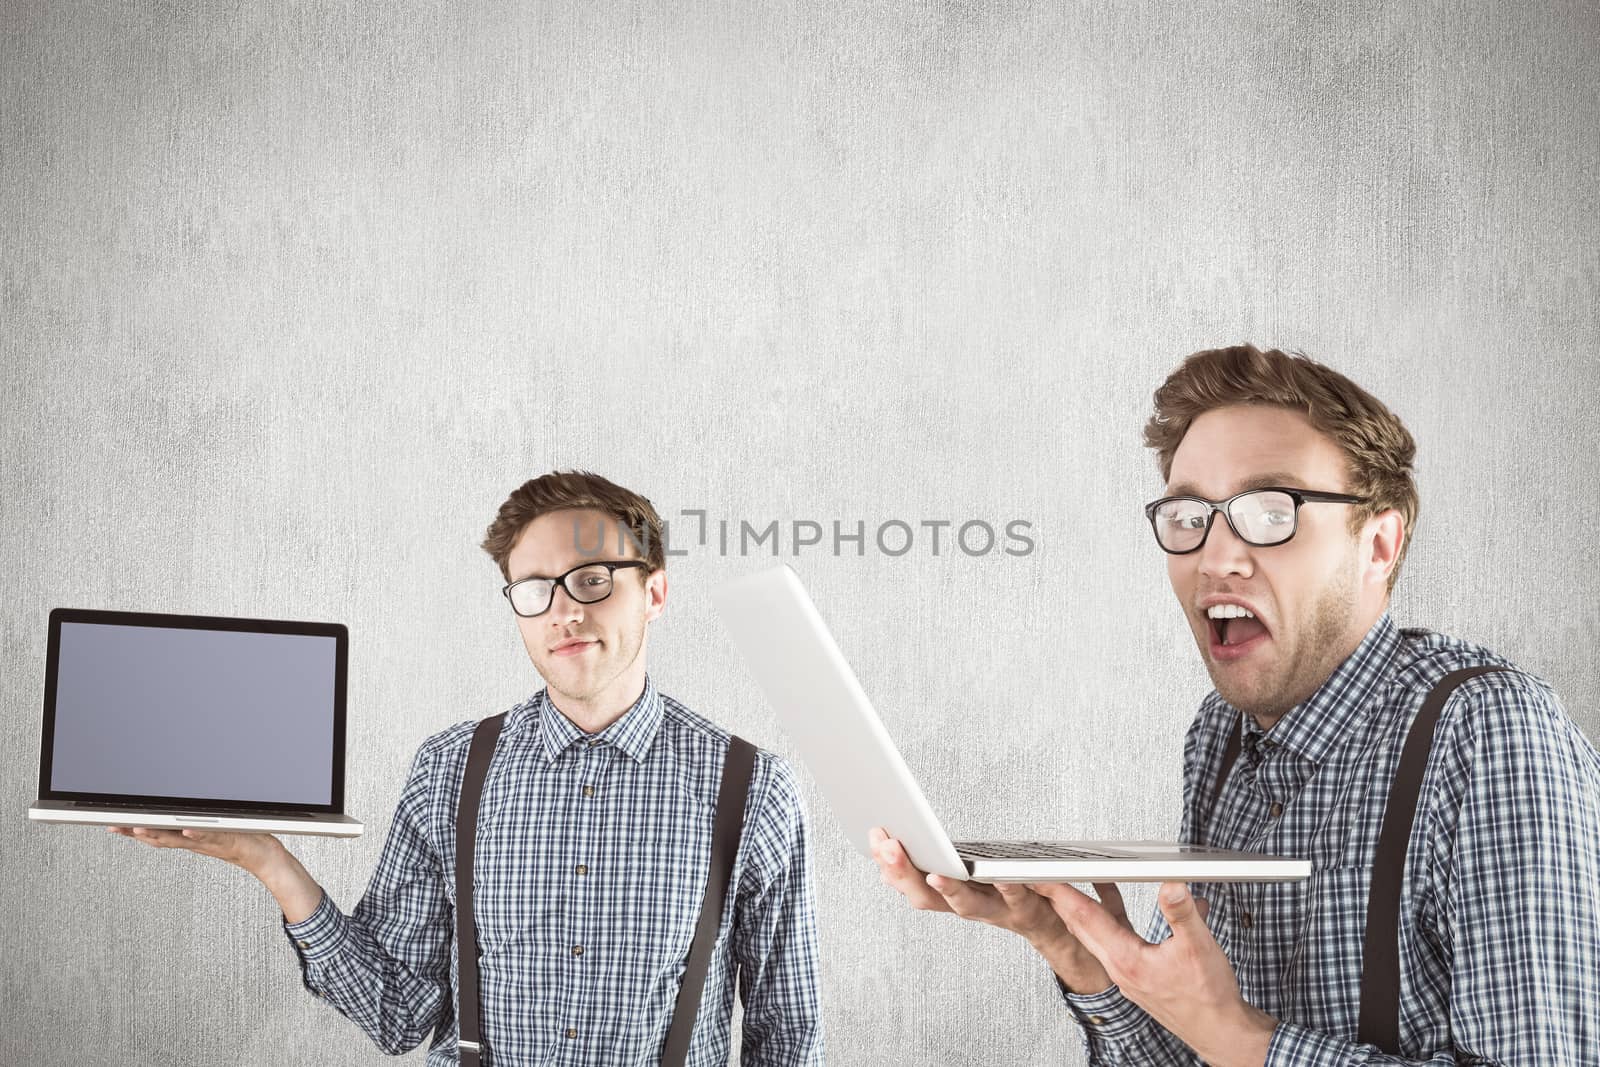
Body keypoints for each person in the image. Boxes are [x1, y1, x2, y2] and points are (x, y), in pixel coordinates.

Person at [871, 345, 1600, 1064]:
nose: (1216, 556)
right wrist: (1080, 953)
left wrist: (1237, 1036)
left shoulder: (1489, 732)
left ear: (1379, 544)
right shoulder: (1218, 736)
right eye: (1190, 516)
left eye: (1268, 509)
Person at [113, 470, 826, 1066]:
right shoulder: (452, 768)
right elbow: (397, 1011)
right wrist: (270, 861)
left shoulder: (753, 788)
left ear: (656, 592)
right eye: (536, 588)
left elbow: (788, 1038)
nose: (564, 612)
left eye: (592, 579)